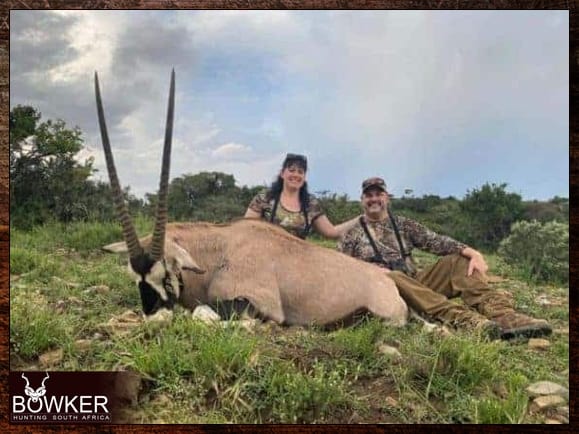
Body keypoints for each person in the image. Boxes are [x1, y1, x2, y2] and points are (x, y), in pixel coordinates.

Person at [337, 177, 552, 340]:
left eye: (378, 194)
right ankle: (464, 320)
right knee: (389, 276)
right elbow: (339, 271)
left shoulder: (404, 225)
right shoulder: (351, 234)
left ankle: (504, 316)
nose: (374, 199)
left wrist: (472, 252)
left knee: (458, 261)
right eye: (369, 195)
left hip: (416, 281)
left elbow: (437, 241)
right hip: (381, 291)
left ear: (387, 198)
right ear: (362, 200)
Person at [244, 153, 358, 240]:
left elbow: (331, 232)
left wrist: (361, 219)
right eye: (291, 170)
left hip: (300, 263)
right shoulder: (265, 197)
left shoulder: (311, 203)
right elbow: (245, 228)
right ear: (282, 173)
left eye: (300, 172)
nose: (296, 175)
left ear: (304, 177)